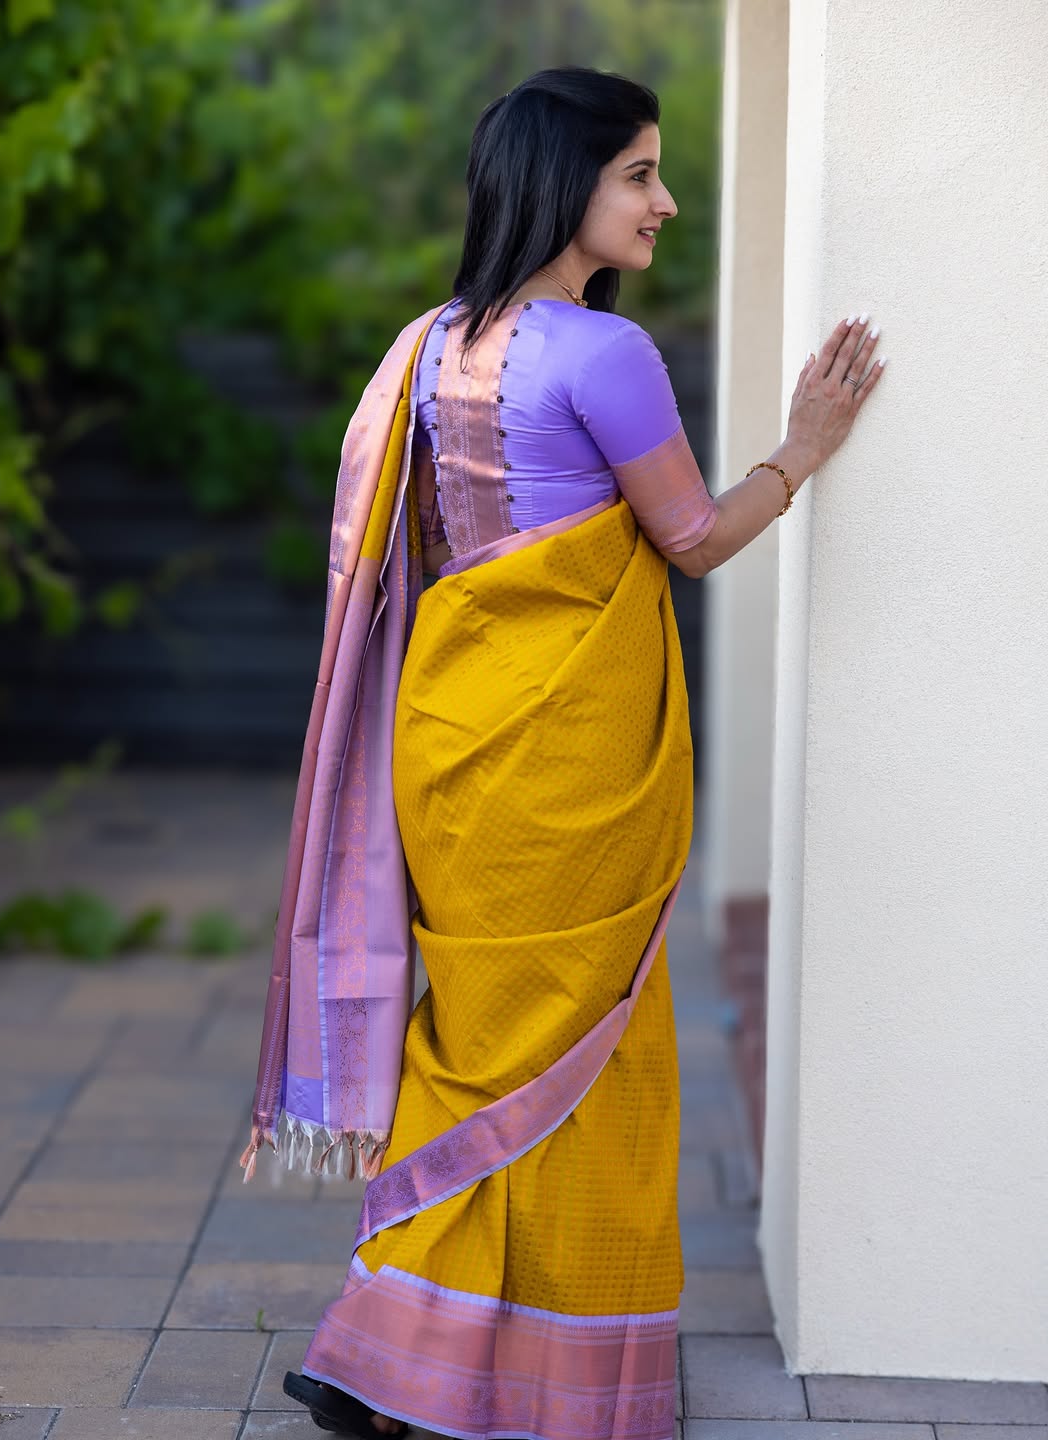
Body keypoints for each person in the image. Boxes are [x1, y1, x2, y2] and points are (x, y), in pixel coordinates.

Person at [243, 66, 885, 1440]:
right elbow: (692, 542)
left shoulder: (424, 349)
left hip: (451, 743)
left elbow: (426, 564)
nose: (663, 202)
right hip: (569, 768)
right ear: (567, 185)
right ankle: (504, 1368)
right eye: (639, 174)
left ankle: (389, 1346)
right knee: (587, 1060)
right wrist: (805, 450)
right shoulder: (607, 356)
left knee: (478, 1044)